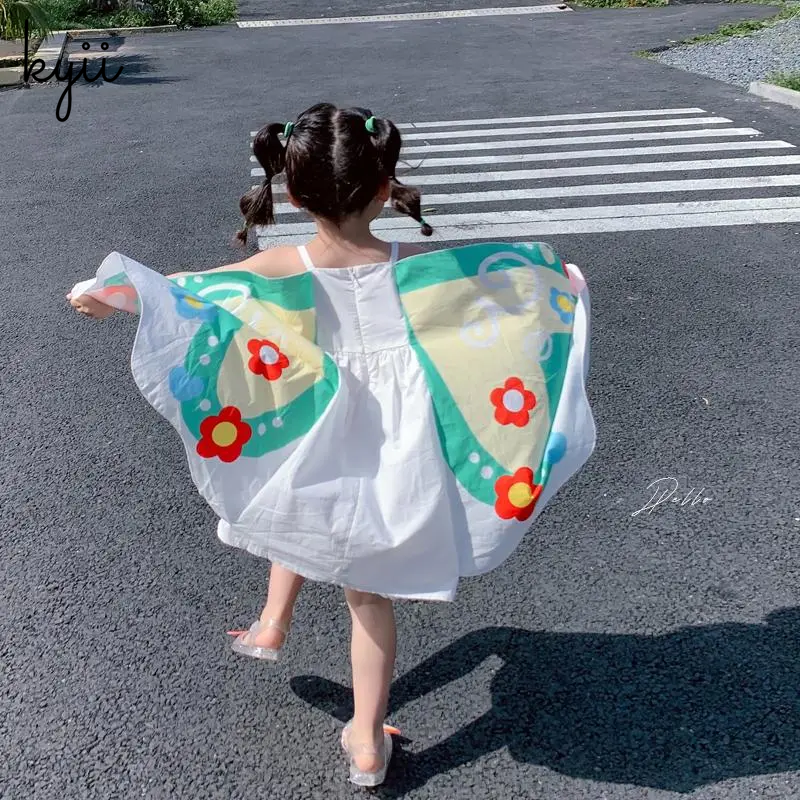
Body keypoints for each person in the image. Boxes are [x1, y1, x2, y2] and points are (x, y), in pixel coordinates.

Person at [67, 102, 595, 787]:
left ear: (292, 195)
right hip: (393, 444)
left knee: (297, 497)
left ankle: (299, 655)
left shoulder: (282, 263)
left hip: (315, 424)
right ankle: (363, 734)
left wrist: (109, 293)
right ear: (385, 189)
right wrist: (558, 290)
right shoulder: (409, 271)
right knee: (366, 595)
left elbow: (191, 294)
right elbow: (489, 303)